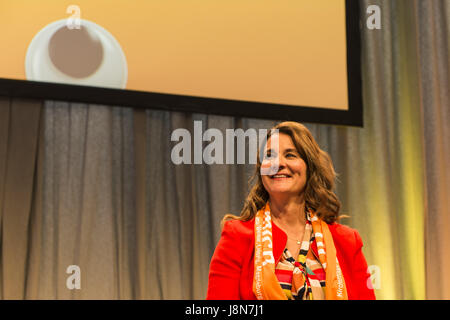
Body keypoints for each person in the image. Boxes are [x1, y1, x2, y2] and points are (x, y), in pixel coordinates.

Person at [206, 121, 376, 300]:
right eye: (269, 156)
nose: (278, 163)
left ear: (309, 167)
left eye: (290, 155)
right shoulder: (237, 238)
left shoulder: (347, 242)